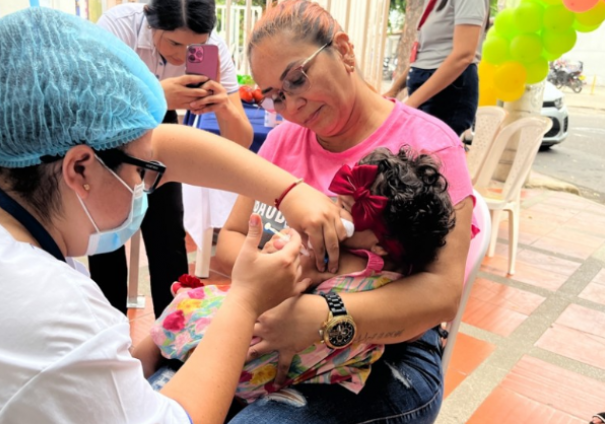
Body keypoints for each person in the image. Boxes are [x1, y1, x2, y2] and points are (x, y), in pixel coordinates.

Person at [0, 8, 345, 424]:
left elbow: (164, 146)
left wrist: (287, 190)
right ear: (79, 168)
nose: (147, 184)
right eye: (143, 172)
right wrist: (244, 301)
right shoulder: (51, 315)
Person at [215, 0, 475, 423]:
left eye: (297, 79)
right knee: (162, 398)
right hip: (274, 318)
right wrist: (287, 272)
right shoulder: (282, 143)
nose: (293, 107)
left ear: (344, 51)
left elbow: (441, 293)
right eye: (276, 97)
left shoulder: (428, 145)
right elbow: (228, 241)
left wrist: (321, 315)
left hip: (389, 350)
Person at [137, 147, 456, 405]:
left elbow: (281, 283)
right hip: (278, 365)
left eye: (344, 208)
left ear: (380, 245)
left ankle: (140, 368)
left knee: (180, 316)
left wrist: (290, 250)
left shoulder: (335, 256)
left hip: (253, 353)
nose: (332, 210)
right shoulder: (392, 275)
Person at [92, 0, 254, 318]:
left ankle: (175, 333)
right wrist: (156, 94)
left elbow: (241, 140)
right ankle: (108, 334)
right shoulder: (116, 28)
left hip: (162, 133)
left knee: (168, 237)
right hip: (107, 133)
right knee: (106, 238)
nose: (182, 54)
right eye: (174, 42)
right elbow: (93, 109)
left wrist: (222, 105)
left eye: (195, 46)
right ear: (150, 18)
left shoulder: (213, 48)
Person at [384, 0, 489, 136]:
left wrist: (410, 104)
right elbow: (424, 56)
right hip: (428, 88)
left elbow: (463, 55)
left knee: (431, 154)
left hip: (448, 90)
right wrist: (394, 90)